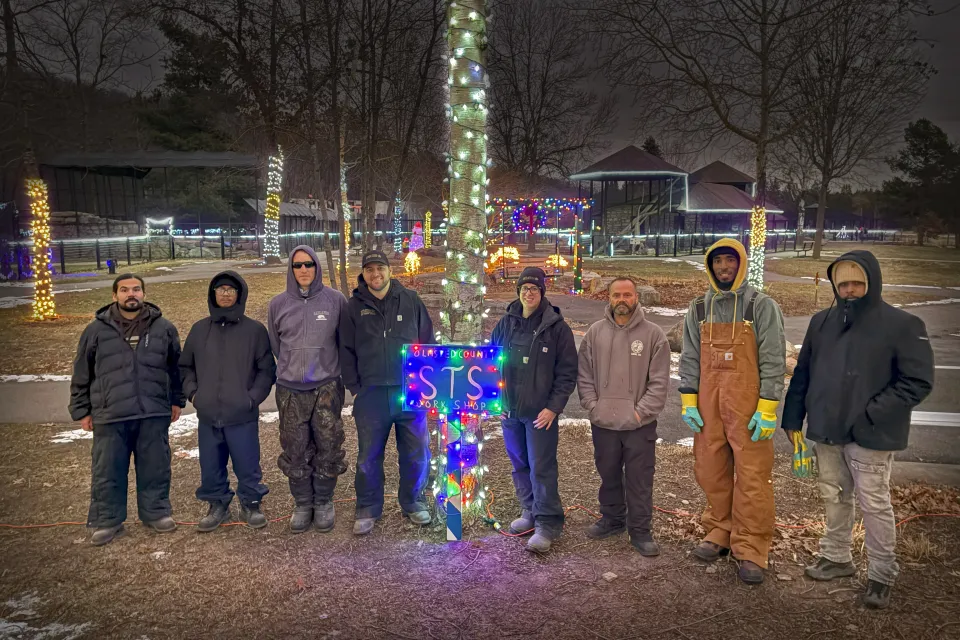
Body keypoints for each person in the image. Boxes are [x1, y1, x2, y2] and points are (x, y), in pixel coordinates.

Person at [783, 251, 934, 609]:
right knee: (834, 496)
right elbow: (802, 374)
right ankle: (837, 557)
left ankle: (882, 573)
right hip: (826, 429)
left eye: (857, 283)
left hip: (871, 434)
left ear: (872, 283)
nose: (850, 290)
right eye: (843, 284)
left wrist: (872, 413)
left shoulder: (901, 325)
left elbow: (917, 380)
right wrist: (793, 421)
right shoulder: (821, 322)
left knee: (874, 503)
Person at [678, 239, 786, 584]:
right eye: (718, 262)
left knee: (753, 476)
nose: (724, 268)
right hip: (709, 406)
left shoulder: (761, 306)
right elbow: (690, 358)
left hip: (748, 405)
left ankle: (752, 547)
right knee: (710, 470)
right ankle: (719, 530)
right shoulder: (698, 309)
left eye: (730, 261)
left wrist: (768, 407)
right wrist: (689, 401)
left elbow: (773, 359)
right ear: (710, 267)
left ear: (741, 264)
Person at [69, 274, 185, 546]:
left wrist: (176, 400)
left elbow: (175, 369)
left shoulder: (163, 328)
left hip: (152, 411)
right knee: (107, 469)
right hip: (111, 414)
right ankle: (108, 520)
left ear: (143, 293)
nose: (130, 294)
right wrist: (82, 409)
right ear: (114, 296)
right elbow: (81, 372)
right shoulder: (96, 331)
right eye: (124, 290)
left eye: (136, 289)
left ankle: (155, 512)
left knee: (155, 467)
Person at [340, 249, 435, 535]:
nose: (375, 274)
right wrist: (355, 389)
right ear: (363, 274)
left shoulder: (410, 300)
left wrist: (425, 384)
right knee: (368, 455)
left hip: (410, 393)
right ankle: (368, 507)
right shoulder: (353, 307)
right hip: (370, 395)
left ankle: (413, 501)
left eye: (380, 268)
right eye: (369, 270)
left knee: (416, 452)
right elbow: (345, 350)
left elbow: (427, 343)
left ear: (390, 271)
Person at [578, 277, 670, 556]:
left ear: (636, 297)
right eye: (616, 295)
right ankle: (613, 519)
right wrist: (593, 407)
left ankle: (640, 531)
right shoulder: (594, 333)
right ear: (608, 298)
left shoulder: (654, 335)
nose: (622, 300)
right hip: (603, 421)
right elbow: (585, 375)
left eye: (627, 295)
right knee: (608, 473)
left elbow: (659, 382)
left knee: (640, 478)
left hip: (639, 425)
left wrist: (640, 412)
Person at [490, 267, 578, 553]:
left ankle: (547, 523)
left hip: (540, 414)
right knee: (520, 465)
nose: (529, 293)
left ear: (542, 293)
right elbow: (489, 362)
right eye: (525, 288)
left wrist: (553, 408)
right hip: (510, 412)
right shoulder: (506, 323)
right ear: (518, 291)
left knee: (541, 467)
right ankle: (529, 511)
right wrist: (495, 399)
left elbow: (567, 373)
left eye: (535, 289)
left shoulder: (557, 328)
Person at [180, 271, 276, 532]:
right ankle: (217, 504)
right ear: (213, 294)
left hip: (241, 414)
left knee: (247, 463)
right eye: (220, 289)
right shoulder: (200, 330)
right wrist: (194, 395)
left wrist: (252, 399)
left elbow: (266, 370)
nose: (225, 293)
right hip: (208, 413)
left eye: (230, 290)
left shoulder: (254, 331)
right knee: (211, 464)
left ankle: (251, 502)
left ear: (239, 295)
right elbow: (185, 367)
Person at [268, 245, 349, 533]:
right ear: (291, 270)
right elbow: (277, 346)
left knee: (329, 444)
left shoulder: (335, 300)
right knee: (295, 447)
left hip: (326, 386)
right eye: (297, 265)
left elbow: (344, 341)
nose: (303, 270)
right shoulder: (278, 304)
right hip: (290, 389)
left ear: (317, 267)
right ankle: (303, 502)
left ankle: (324, 500)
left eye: (309, 264)